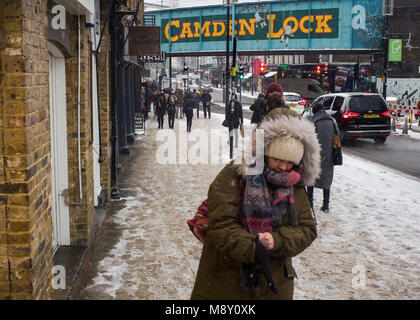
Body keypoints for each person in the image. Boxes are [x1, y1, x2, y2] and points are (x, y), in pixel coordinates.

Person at [190, 107, 321, 300]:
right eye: (278, 159)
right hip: (228, 282)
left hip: (275, 282)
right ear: (264, 151)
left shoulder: (295, 184)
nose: (284, 167)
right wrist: (253, 246)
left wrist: (277, 240)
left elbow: (307, 229)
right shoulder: (235, 175)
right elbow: (220, 225)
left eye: (290, 162)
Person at [306, 103, 337, 213]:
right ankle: (326, 204)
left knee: (311, 178)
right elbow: (337, 138)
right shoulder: (332, 121)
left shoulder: (313, 122)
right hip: (329, 156)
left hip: (315, 155)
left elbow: (309, 139)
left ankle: (309, 201)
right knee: (327, 180)